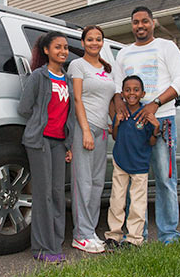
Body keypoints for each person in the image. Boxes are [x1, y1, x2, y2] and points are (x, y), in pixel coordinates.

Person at [113, 6, 180, 245]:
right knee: (134, 181)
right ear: (132, 25)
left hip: (162, 120)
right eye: (136, 22)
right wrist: (119, 106)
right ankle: (138, 235)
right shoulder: (124, 53)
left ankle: (169, 235)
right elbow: (117, 89)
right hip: (131, 126)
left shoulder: (167, 47)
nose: (140, 26)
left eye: (145, 21)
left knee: (166, 180)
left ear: (153, 23)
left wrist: (155, 104)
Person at [18, 31, 76, 263]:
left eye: (65, 47)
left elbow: (69, 114)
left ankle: (55, 242)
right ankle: (41, 248)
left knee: (57, 194)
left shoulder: (68, 79)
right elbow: (24, 108)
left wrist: (69, 143)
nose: (63, 51)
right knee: (43, 196)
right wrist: (39, 123)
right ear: (46, 50)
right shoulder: (39, 77)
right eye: (57, 47)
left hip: (60, 143)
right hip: (39, 141)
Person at [67, 25, 117, 253]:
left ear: (102, 42)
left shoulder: (107, 69)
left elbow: (108, 100)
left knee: (97, 184)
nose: (94, 43)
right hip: (84, 129)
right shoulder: (77, 65)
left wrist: (111, 123)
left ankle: (90, 231)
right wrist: (85, 130)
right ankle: (80, 235)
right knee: (83, 184)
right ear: (83, 42)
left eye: (98, 39)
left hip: (102, 131)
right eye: (90, 39)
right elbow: (77, 100)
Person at [104, 75, 160, 251]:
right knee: (117, 200)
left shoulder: (146, 115)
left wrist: (156, 129)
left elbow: (151, 141)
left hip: (140, 165)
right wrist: (117, 123)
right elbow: (114, 136)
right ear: (123, 93)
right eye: (127, 90)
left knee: (137, 203)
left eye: (136, 90)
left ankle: (134, 238)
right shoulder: (121, 113)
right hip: (121, 162)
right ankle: (114, 235)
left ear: (142, 93)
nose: (132, 93)